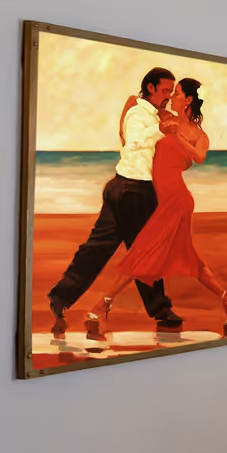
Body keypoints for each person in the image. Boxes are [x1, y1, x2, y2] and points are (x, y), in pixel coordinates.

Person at [86, 78, 227, 339]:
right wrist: (123, 134)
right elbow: (131, 101)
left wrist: (176, 137)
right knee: (191, 260)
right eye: (172, 92)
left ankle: (100, 306)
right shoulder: (164, 115)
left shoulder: (197, 133)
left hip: (178, 201)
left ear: (188, 100)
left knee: (142, 251)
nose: (172, 96)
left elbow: (200, 156)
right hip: (164, 199)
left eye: (178, 93)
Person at [45, 68, 182, 339]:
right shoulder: (139, 115)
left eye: (170, 91)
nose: (168, 96)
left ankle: (60, 296)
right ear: (151, 88)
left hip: (123, 187)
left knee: (97, 248)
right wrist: (159, 129)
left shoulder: (151, 114)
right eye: (165, 90)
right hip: (134, 191)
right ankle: (160, 310)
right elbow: (133, 141)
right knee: (145, 251)